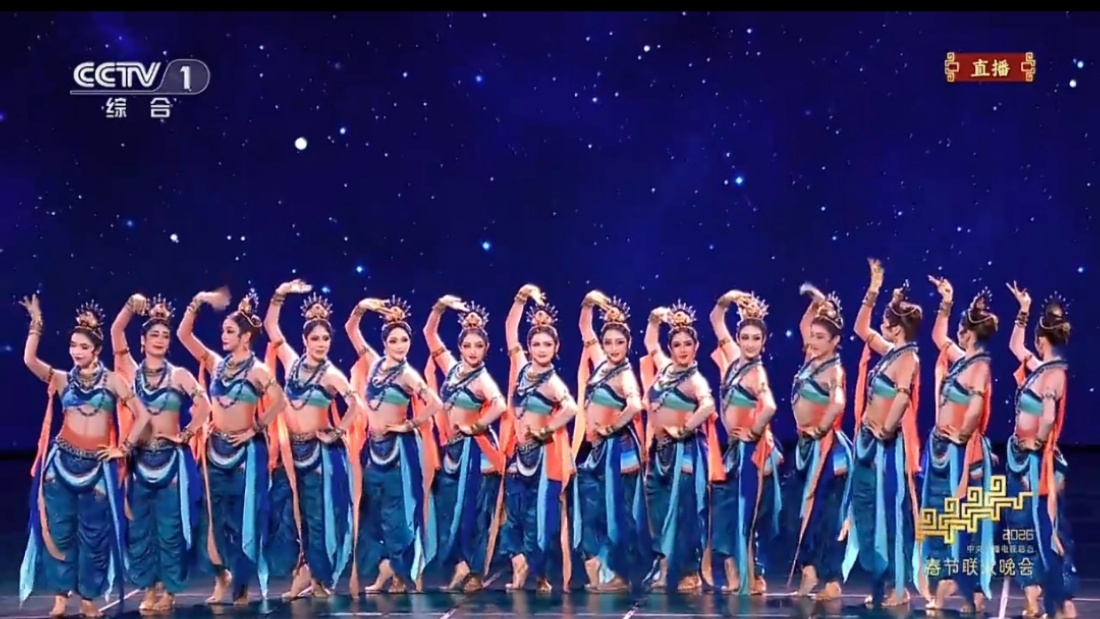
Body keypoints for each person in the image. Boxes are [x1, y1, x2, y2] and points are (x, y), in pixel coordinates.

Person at [18, 295, 156, 619]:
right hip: (60, 468)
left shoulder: (113, 381)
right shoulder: (61, 378)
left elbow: (143, 416)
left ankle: (89, 599)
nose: (76, 351)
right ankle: (60, 597)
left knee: (94, 537)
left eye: (83, 346)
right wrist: (36, 323)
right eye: (72, 346)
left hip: (96, 470)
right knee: (60, 533)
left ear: (96, 350)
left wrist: (124, 448)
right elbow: (29, 360)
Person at [176, 288, 288, 605]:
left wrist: (256, 427)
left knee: (243, 519)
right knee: (212, 520)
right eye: (223, 331)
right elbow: (183, 335)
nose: (223, 336)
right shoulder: (216, 364)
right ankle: (221, 576)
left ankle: (241, 584)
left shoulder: (258, 370)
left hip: (246, 454)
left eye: (229, 331)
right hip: (215, 451)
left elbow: (280, 400)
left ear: (245, 337)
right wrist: (197, 301)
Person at [109, 293, 211, 612]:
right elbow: (115, 332)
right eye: (154, 334)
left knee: (170, 529)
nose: (160, 339)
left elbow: (205, 406)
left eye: (165, 335)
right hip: (139, 462)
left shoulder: (179, 375)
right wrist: (129, 305)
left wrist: (186, 434)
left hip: (171, 462)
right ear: (142, 341)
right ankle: (149, 587)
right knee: (141, 529)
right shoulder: (130, 372)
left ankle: (169, 589)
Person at [262, 280, 362, 599]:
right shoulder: (292, 363)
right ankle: (305, 573)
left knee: (317, 518)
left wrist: (338, 430)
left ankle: (316, 577)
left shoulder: (332, 375)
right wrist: (280, 293)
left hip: (319, 455)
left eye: (325, 338)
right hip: (291, 453)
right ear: (305, 339)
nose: (321, 344)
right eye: (315, 338)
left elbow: (356, 404)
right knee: (289, 515)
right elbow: (270, 326)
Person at [346, 295, 444, 594]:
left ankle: (401, 573)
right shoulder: (374, 364)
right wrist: (362, 307)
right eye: (394, 340)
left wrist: (409, 424)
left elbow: (435, 403)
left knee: (397, 515)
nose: (400, 345)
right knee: (373, 514)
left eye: (405, 340)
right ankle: (385, 569)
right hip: (373, 450)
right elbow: (351, 329)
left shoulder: (407, 374)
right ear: (385, 342)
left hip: (398, 452)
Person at [849, 259, 924, 608]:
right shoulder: (891, 351)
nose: (882, 326)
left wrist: (886, 429)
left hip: (887, 447)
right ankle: (880, 580)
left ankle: (898, 586)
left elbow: (903, 397)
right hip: (868, 444)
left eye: (887, 322)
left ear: (896, 328)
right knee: (866, 510)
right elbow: (860, 327)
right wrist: (874, 289)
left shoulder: (908, 359)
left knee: (891, 515)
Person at [422, 295, 507, 593]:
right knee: (451, 511)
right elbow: (429, 334)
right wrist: (440, 307)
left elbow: (500, 404)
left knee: (476, 514)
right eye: (468, 345)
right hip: (454, 450)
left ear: (486, 349)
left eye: (478, 346)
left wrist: (478, 425)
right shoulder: (452, 367)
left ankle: (475, 572)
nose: (472, 351)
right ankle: (460, 565)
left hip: (478, 453)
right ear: (459, 347)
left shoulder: (483, 379)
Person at [922, 278, 997, 613]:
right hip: (942, 452)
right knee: (941, 518)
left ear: (969, 333)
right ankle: (949, 584)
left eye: (961, 329)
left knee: (965, 521)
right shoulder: (962, 359)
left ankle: (970, 589)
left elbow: (976, 408)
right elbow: (939, 337)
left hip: (963, 455)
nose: (957, 333)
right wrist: (947, 302)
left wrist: (960, 436)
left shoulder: (979, 366)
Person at [499, 284, 579, 593]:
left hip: (544, 458)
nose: (541, 349)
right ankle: (519, 564)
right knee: (513, 515)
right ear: (529, 347)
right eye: (536, 343)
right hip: (519, 454)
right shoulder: (521, 368)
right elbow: (510, 328)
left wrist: (546, 429)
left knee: (540, 519)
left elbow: (571, 408)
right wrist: (521, 297)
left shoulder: (553, 382)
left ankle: (539, 573)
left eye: (547, 344)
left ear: (556, 348)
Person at [1004, 284, 1075, 619]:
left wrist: (1039, 441)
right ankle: (1032, 598)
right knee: (1020, 527)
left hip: (1037, 463)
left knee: (1046, 528)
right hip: (1020, 460)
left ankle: (1059, 600)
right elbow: (1014, 346)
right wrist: (1024, 309)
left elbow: (1047, 416)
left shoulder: (1054, 374)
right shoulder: (1041, 369)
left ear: (1042, 339)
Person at [640, 301, 721, 593]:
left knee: (685, 511)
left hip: (685, 452)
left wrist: (685, 428)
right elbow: (650, 343)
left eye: (688, 344)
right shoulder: (665, 369)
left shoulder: (695, 379)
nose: (683, 349)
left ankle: (689, 571)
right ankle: (664, 568)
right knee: (658, 511)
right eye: (677, 344)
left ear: (696, 346)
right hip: (659, 451)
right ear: (671, 347)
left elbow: (709, 406)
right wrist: (654, 319)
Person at [782, 284, 854, 601]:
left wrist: (822, 428)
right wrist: (816, 301)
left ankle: (832, 579)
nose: (812, 341)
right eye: (812, 336)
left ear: (835, 341)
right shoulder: (811, 358)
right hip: (805, 449)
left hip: (828, 452)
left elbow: (837, 402)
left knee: (827, 516)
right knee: (799, 513)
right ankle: (809, 570)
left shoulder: (833, 368)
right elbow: (804, 325)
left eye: (820, 337)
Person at [708, 290, 780, 596]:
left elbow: (770, 406)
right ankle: (737, 575)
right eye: (745, 338)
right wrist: (727, 299)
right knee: (729, 512)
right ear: (738, 338)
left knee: (745, 515)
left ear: (764, 342)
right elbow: (716, 319)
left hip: (750, 452)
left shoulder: (756, 372)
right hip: (734, 451)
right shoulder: (734, 360)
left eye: (756, 339)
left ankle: (751, 578)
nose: (750, 344)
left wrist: (753, 431)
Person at [573, 291, 646, 592]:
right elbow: (584, 327)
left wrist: (611, 427)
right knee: (595, 511)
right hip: (598, 452)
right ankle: (602, 572)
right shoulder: (602, 363)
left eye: (620, 342)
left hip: (620, 453)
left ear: (629, 344)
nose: (614, 348)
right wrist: (588, 302)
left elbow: (636, 405)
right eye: (609, 342)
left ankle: (618, 575)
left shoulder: (625, 374)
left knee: (617, 514)